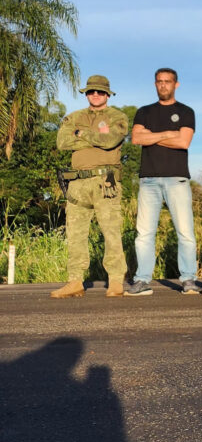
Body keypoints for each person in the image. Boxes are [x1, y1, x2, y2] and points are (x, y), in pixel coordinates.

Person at [51, 75, 129, 298]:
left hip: (106, 181)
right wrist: (95, 136)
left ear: (107, 94)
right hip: (77, 182)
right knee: (75, 234)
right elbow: (62, 142)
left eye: (100, 92)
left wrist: (81, 133)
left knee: (111, 230)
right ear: (86, 94)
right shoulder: (74, 116)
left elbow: (111, 140)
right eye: (91, 91)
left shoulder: (117, 116)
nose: (96, 95)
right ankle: (75, 281)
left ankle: (115, 281)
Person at [125, 68, 200, 296]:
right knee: (144, 233)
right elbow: (137, 137)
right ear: (155, 84)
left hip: (176, 179)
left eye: (168, 82)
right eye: (159, 81)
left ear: (176, 84)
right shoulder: (144, 112)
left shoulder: (186, 112)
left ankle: (188, 280)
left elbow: (183, 142)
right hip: (148, 180)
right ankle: (142, 280)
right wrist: (168, 133)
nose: (163, 85)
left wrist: (153, 137)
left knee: (185, 232)